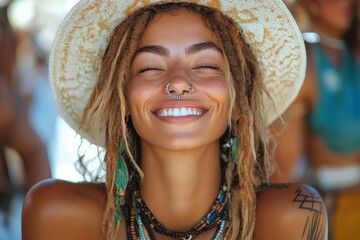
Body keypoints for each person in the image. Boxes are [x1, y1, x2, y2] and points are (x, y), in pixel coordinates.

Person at [22, 1, 328, 239]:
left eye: (206, 65)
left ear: (238, 101)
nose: (178, 82)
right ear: (123, 100)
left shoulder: (291, 216)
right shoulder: (57, 215)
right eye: (150, 68)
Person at [271, 0, 359, 239]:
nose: (347, 2)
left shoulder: (352, 53)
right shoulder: (303, 61)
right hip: (333, 208)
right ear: (310, 3)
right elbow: (282, 175)